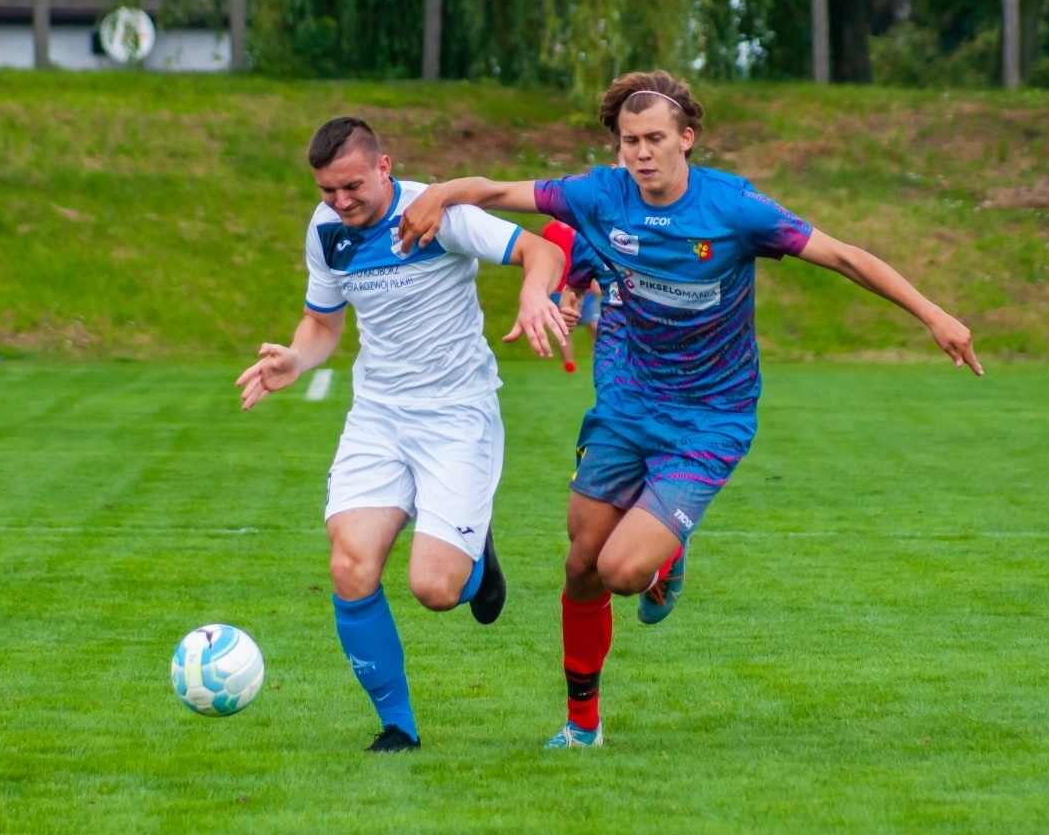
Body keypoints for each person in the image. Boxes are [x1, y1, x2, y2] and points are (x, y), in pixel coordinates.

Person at [396, 70, 982, 749]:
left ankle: (665, 560)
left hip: (711, 418)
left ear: (686, 139)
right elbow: (501, 192)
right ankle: (582, 724)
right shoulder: (601, 194)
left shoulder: (734, 209)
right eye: (628, 141)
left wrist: (934, 314)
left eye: (653, 139)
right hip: (625, 407)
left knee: (622, 571)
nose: (641, 153)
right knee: (582, 561)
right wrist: (439, 193)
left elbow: (844, 257)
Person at [236, 117, 569, 753]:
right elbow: (321, 324)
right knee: (349, 565)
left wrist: (533, 295)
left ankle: (476, 562)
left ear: (385, 167)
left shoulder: (435, 212)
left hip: (455, 417)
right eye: (327, 190)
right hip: (379, 417)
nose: (339, 202)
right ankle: (398, 727)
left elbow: (543, 251)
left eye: (352, 186)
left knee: (435, 589)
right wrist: (293, 362)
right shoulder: (326, 229)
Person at [541, 219, 605, 373]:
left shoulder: (583, 226)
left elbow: (594, 255)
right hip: (559, 287)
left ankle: (602, 358)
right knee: (564, 328)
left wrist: (596, 279)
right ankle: (569, 364)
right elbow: (545, 258)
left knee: (596, 326)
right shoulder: (550, 230)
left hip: (585, 286)